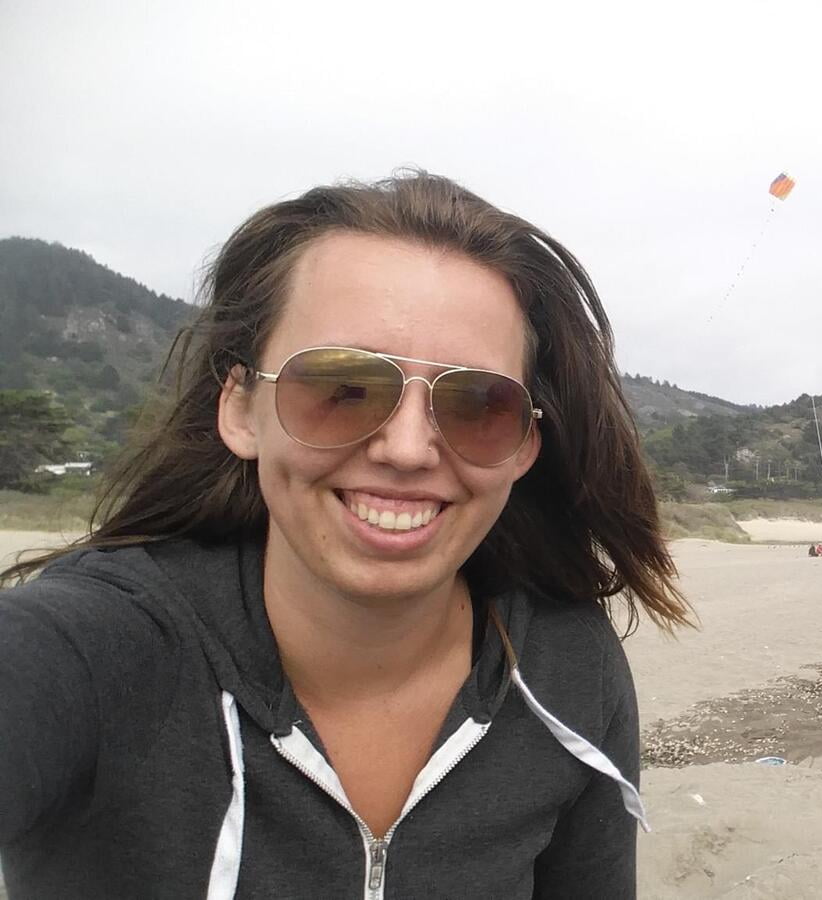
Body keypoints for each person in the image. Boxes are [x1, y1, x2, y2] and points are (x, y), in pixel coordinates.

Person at [0, 172, 691, 898]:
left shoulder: (566, 666)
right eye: (340, 388)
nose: (407, 449)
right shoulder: (97, 649)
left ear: (524, 447)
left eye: (477, 404)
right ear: (239, 409)